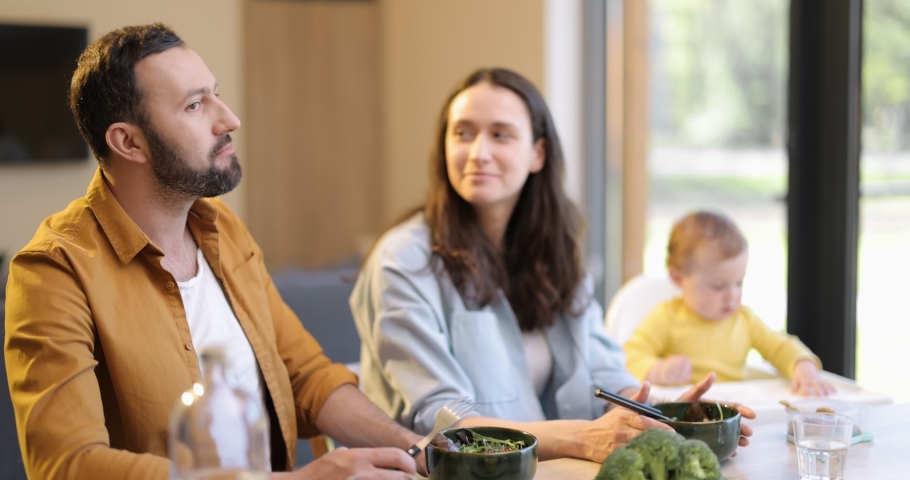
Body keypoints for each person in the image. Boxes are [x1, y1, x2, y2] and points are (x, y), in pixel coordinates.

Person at [3, 23, 420, 479]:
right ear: (129, 142)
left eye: (214, 94)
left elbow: (307, 378)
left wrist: (417, 450)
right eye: (195, 104)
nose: (229, 119)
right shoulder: (53, 270)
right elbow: (67, 465)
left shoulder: (224, 230)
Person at [350, 67, 754, 464]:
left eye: (500, 135)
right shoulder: (401, 261)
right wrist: (580, 437)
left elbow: (602, 369)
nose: (478, 152)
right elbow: (444, 423)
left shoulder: (554, 250)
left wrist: (662, 415)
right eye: (463, 133)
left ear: (537, 153)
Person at [623, 210, 835, 396]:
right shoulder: (667, 317)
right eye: (718, 286)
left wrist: (803, 366)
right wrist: (658, 370)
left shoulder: (743, 319)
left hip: (737, 412)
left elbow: (778, 346)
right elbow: (630, 355)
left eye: (738, 283)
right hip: (687, 415)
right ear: (679, 278)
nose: (732, 295)